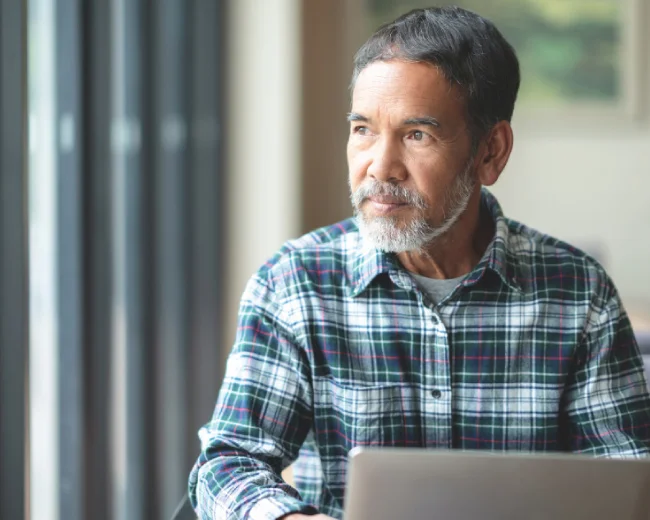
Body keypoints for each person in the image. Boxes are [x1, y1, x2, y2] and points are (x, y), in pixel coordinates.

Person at [188, 6, 650, 520]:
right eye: (362, 129)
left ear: (490, 152)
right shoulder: (294, 285)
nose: (379, 166)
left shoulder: (580, 294)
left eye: (416, 135)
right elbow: (228, 464)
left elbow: (629, 481)